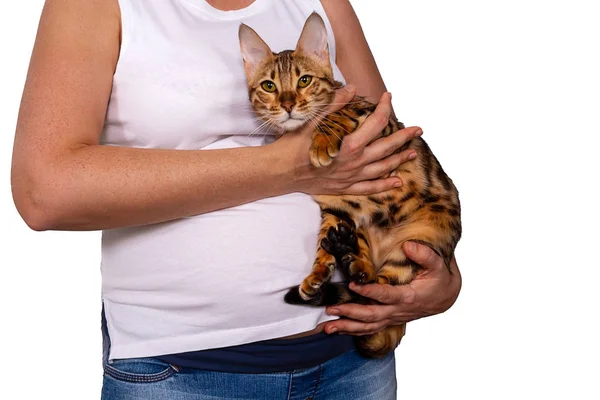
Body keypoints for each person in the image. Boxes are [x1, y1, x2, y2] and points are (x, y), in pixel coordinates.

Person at [11, 0, 462, 399]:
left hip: (352, 364)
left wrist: (439, 279)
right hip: (183, 374)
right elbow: (43, 192)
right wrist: (284, 168)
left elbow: (392, 152)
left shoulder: (324, 2)